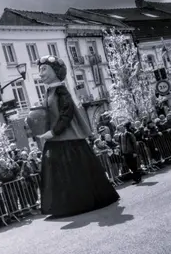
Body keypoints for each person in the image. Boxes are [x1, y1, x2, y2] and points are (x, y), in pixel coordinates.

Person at [36, 55, 119, 217]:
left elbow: (67, 113)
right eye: (40, 70)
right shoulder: (49, 92)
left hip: (68, 138)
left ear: (56, 71)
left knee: (74, 171)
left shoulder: (60, 90)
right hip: (57, 139)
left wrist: (54, 132)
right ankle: (65, 205)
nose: (41, 73)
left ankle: (80, 203)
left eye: (44, 69)